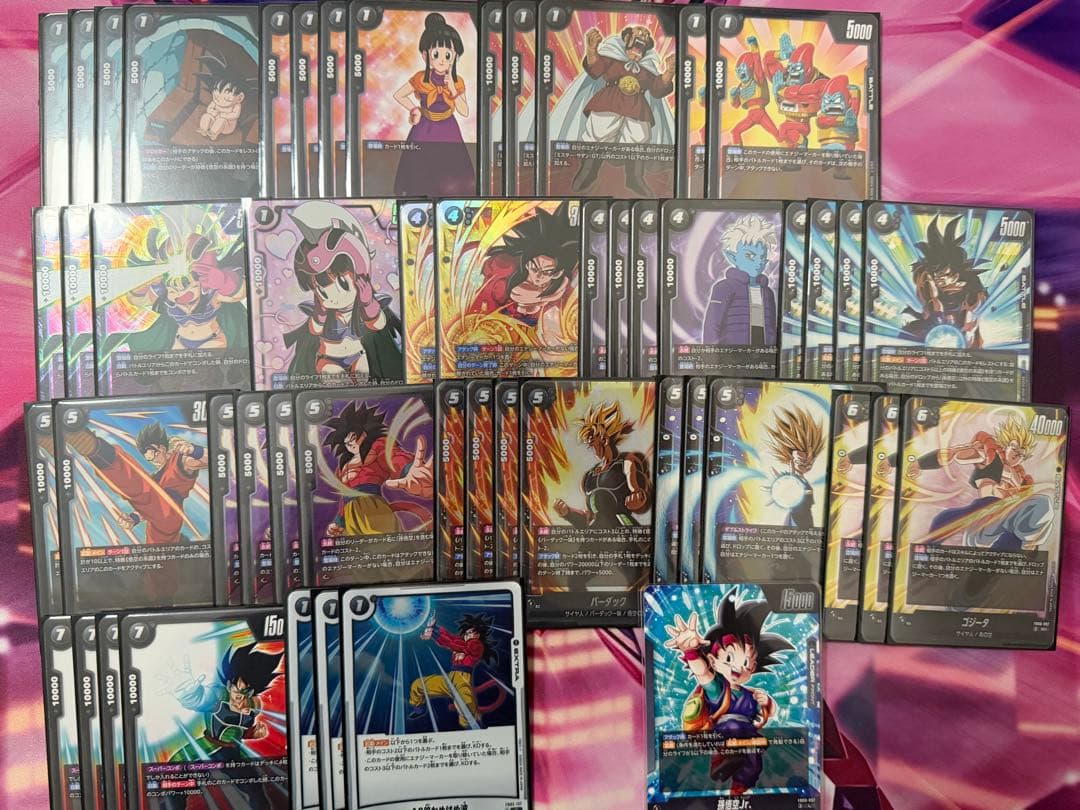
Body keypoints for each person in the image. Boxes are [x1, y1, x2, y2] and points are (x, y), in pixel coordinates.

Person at [664, 589, 794, 795]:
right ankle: (721, 760)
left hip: (748, 736)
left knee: (754, 764)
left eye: (747, 664)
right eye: (729, 659)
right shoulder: (718, 688)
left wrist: (767, 702)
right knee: (732, 729)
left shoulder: (750, 694)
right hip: (724, 733)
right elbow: (702, 673)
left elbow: (768, 714)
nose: (738, 669)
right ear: (713, 660)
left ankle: (739, 789)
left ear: (753, 668)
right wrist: (690, 651)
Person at [392, 13, 476, 195]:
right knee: (419, 176)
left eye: (448, 55)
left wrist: (452, 90)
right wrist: (414, 109)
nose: (442, 60)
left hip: (449, 128)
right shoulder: (420, 78)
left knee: (456, 179)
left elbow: (464, 111)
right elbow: (399, 95)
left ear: (456, 56)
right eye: (436, 54)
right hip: (424, 128)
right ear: (425, 55)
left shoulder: (457, 81)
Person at [553, 401, 652, 528]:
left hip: (622, 528)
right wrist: (568, 513)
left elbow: (636, 490)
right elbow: (590, 517)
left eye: (591, 443)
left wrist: (638, 497)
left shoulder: (626, 462)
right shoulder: (588, 477)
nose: (591, 448)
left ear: (604, 440)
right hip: (599, 533)